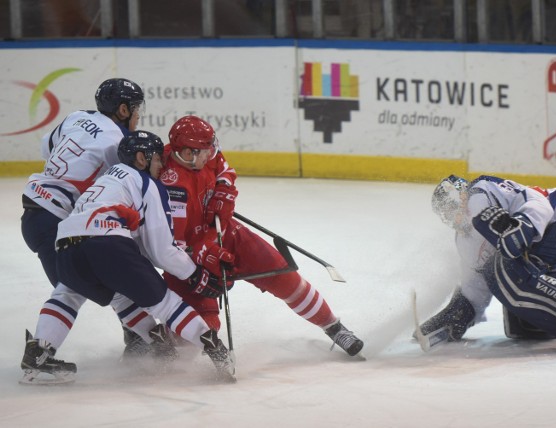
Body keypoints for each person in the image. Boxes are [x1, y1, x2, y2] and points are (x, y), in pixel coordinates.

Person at [20, 131, 235, 384]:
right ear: (142, 159)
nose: (161, 167)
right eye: (157, 160)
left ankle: (37, 355)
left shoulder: (104, 179)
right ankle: (217, 352)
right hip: (106, 243)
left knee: (74, 293)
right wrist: (195, 274)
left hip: (65, 246)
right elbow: (162, 251)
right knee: (165, 303)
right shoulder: (148, 184)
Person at [158, 115, 364, 357]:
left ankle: (334, 327)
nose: (210, 153)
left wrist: (224, 190)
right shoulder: (171, 185)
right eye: (204, 151)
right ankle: (163, 343)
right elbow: (171, 248)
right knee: (205, 326)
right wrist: (203, 256)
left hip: (228, 234)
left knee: (285, 278)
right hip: (192, 260)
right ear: (187, 153)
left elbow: (224, 169)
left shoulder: (201, 152)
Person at [19, 77, 156, 358]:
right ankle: (40, 356)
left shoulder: (77, 117)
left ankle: (145, 337)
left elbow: (47, 147)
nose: (138, 114)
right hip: (57, 217)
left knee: (104, 274)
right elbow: (122, 185)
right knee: (74, 286)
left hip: (36, 212)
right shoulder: (119, 142)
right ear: (122, 110)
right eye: (135, 108)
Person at [417, 174, 556, 353]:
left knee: (505, 269)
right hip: (551, 249)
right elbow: (476, 288)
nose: (451, 214)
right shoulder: (465, 242)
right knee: (524, 325)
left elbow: (538, 201)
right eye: (445, 212)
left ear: (463, 193)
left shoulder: (482, 190)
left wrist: (523, 224)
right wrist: (457, 315)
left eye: (452, 204)